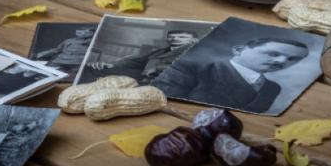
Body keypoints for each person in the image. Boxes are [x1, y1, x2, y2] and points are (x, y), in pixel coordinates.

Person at [152, 37, 309, 113]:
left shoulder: (272, 88)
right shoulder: (189, 68)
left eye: (292, 59)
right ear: (239, 50)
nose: (282, 61)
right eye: (273, 54)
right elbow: (163, 104)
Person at [88, 30, 199, 83]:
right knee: (95, 73)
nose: (174, 39)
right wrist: (112, 64)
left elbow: (189, 70)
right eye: (171, 37)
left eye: (182, 37)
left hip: (169, 85)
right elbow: (137, 61)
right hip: (143, 79)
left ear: (194, 40)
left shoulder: (195, 52)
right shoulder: (160, 51)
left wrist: (158, 70)